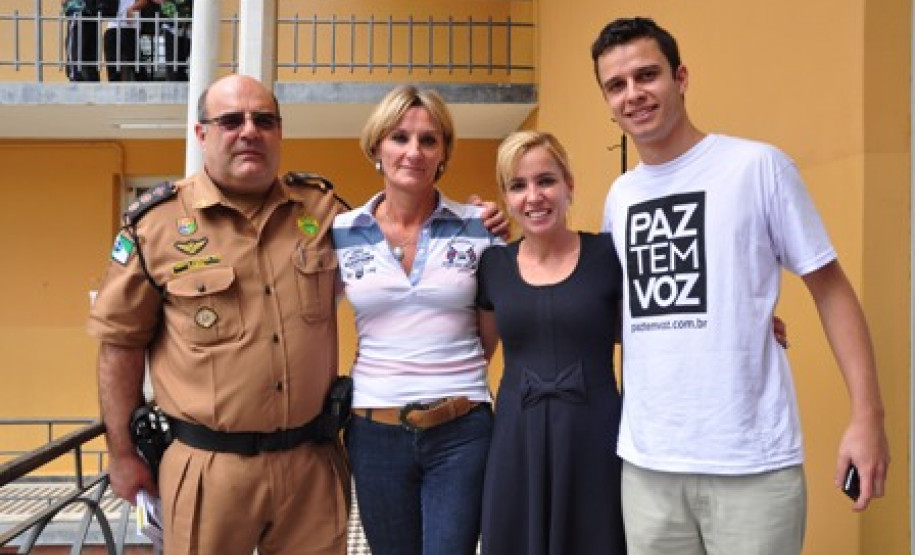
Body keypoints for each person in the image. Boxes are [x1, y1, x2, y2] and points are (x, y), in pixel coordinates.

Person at [591, 17, 890, 554]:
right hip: (647, 469)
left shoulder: (758, 167)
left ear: (681, 77)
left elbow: (831, 290)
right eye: (616, 85)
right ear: (608, 101)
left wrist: (867, 416)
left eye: (647, 75)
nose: (633, 94)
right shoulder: (621, 197)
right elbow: (627, 312)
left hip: (751, 464)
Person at [88, 74, 350, 555]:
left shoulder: (323, 210)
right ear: (202, 133)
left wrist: (479, 223)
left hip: (312, 466)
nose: (249, 131)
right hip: (207, 469)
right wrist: (121, 454)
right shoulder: (156, 226)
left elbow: (402, 242)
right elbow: (120, 345)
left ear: (279, 132)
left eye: (263, 120)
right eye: (231, 120)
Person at [331, 85, 500, 555]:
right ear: (377, 147)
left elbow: (489, 338)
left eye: (429, 140)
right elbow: (312, 317)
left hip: (461, 433)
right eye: (399, 137)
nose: (413, 151)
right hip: (375, 432)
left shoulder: (479, 227)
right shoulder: (342, 231)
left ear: (444, 152)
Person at [476, 130, 627, 555]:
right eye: (518, 186)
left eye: (546, 180)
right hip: (514, 438)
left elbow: (648, 328)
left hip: (594, 436)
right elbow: (475, 353)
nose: (534, 196)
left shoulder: (608, 256)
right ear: (505, 197)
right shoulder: (493, 265)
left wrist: (747, 321)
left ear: (569, 186)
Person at [103, 0, 148, 81]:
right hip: (112, 25)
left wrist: (132, 8)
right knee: (112, 64)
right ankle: (114, 89)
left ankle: (144, 87)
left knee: (136, 63)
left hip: (130, 26)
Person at [151, 0, 192, 81]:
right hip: (171, 24)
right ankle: (173, 80)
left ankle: (182, 79)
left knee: (183, 57)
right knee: (172, 60)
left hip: (188, 24)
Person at [63, 0, 101, 81]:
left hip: (86, 12)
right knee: (81, 55)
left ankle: (81, 80)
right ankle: (77, 78)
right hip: (85, 12)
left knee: (85, 55)